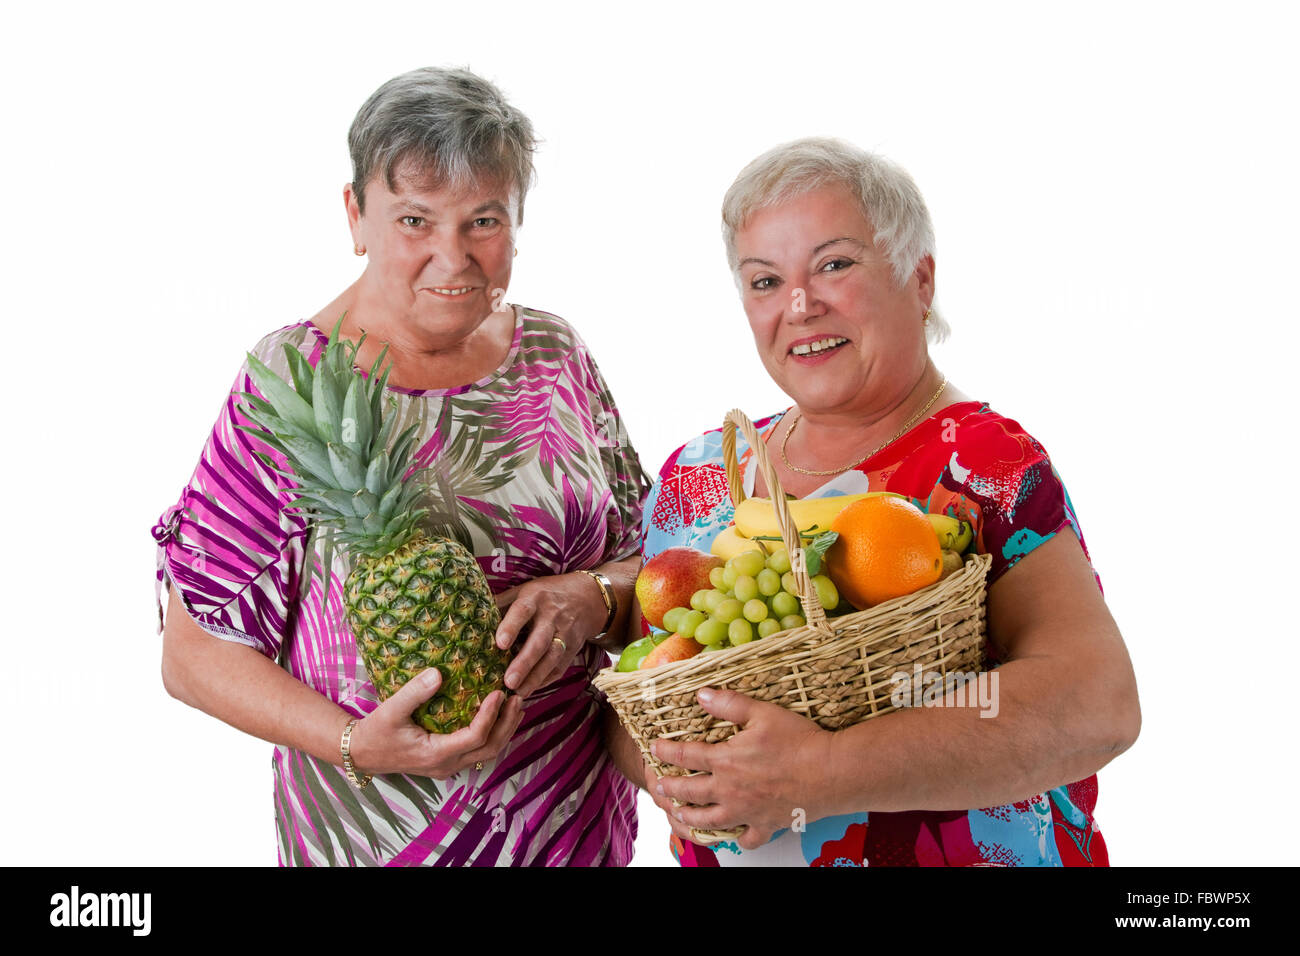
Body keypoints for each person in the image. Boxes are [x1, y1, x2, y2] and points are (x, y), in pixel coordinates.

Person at [154, 67, 649, 866]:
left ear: (518, 218)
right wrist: (354, 743)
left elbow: (657, 563)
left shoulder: (556, 353)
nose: (451, 259)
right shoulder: (292, 386)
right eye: (415, 219)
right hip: (379, 837)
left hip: (575, 823)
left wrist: (590, 596)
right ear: (355, 214)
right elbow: (192, 652)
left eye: (482, 220)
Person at [604, 137, 1140, 866]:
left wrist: (823, 772)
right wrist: (686, 780)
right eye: (765, 282)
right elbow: (638, 696)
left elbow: (1094, 707)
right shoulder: (700, 474)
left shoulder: (980, 464)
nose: (800, 305)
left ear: (919, 281)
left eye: (835, 265)